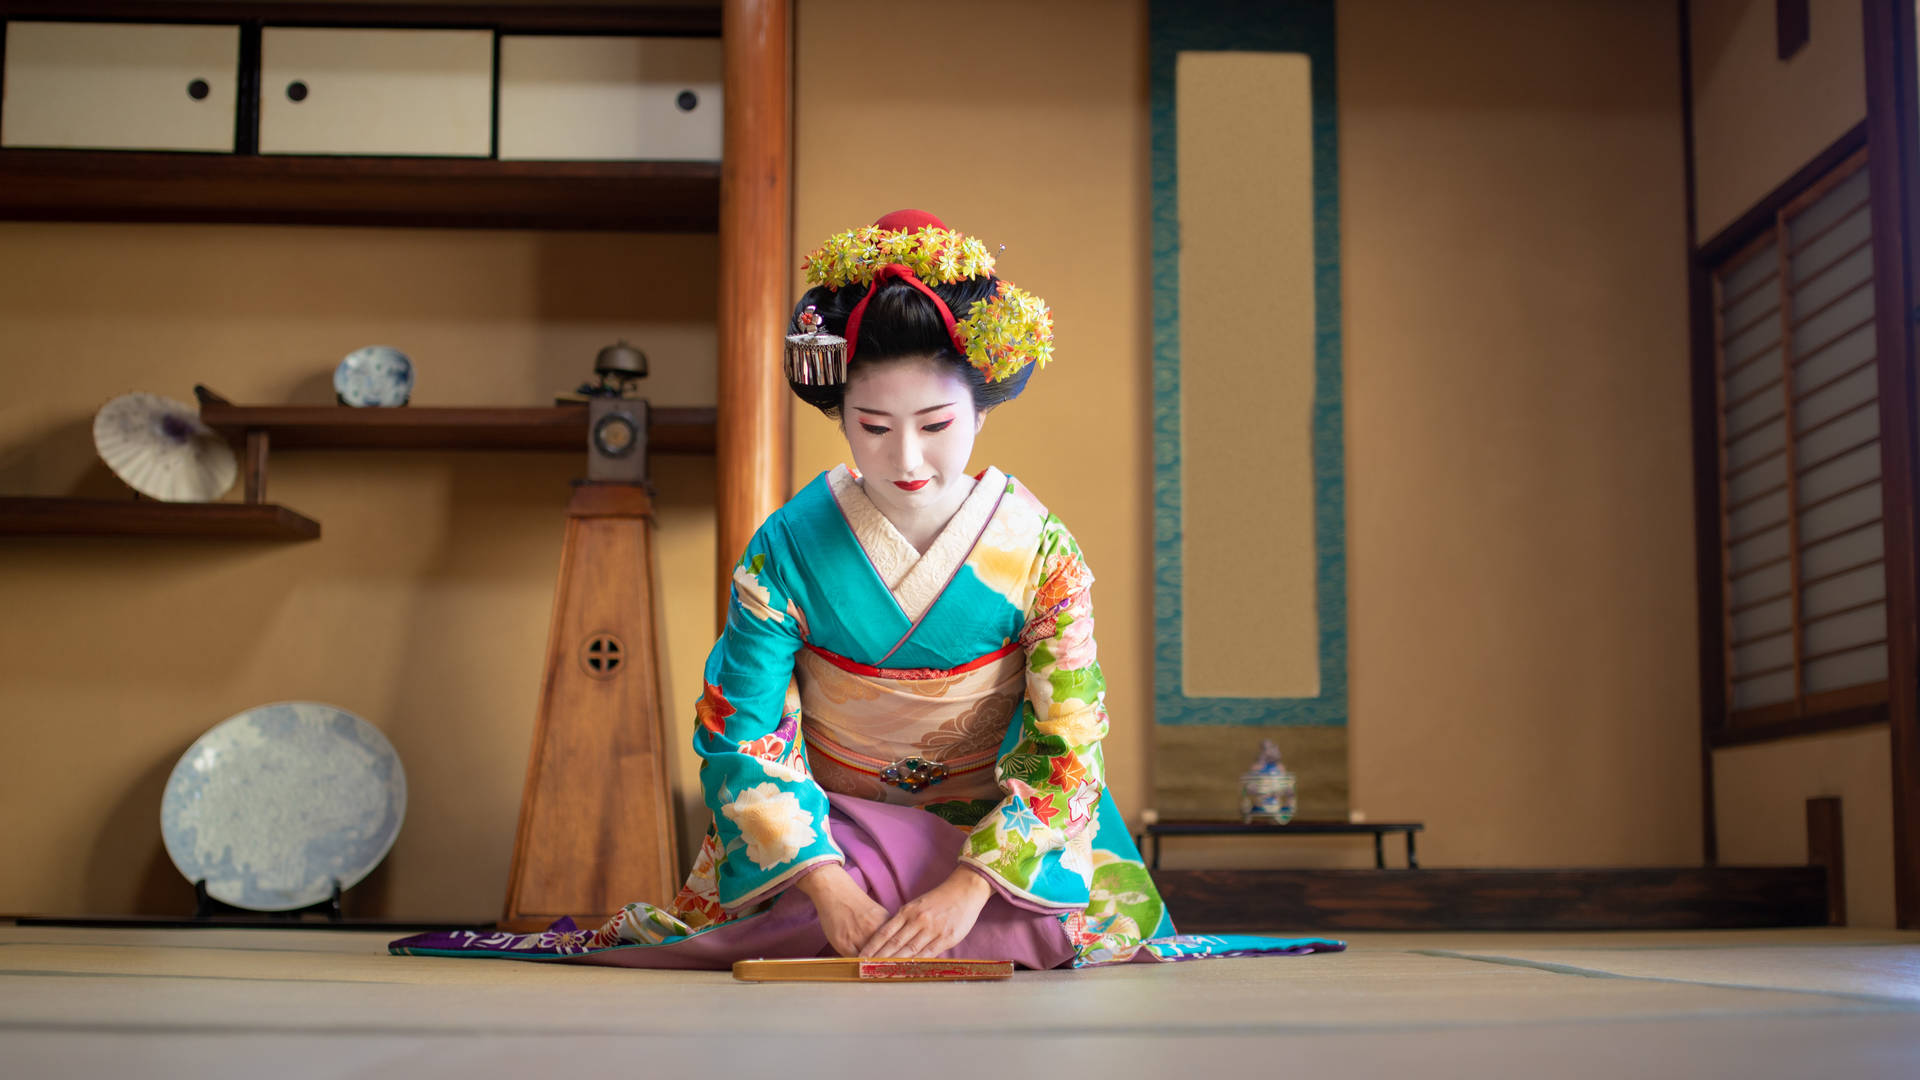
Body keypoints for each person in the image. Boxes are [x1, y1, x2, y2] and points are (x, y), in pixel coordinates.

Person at [391, 211, 1342, 969]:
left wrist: (971, 887)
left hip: (989, 830)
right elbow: (742, 730)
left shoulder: (1041, 551)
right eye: (872, 425)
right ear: (838, 412)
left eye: (936, 423)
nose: (908, 458)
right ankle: (832, 903)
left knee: (1046, 925)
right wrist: (826, 885)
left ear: (981, 406)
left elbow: (1068, 742)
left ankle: (965, 906)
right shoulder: (787, 548)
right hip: (832, 827)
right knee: (799, 920)